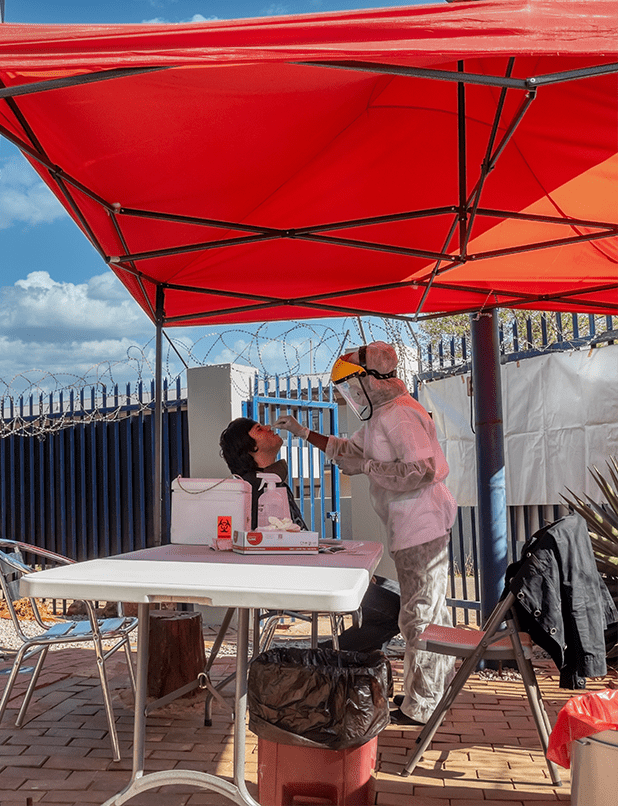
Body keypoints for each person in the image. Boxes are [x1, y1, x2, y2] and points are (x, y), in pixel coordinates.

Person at [275, 341, 458, 726]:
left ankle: (422, 706)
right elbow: (348, 450)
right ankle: (431, 694)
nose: (352, 395)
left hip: (421, 522)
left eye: (353, 387)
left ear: (371, 379)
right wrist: (302, 432)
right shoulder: (380, 416)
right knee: (423, 611)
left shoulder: (401, 416)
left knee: (420, 615)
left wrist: (370, 468)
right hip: (409, 524)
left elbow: (422, 469)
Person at [218, 416, 401, 653]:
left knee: (402, 595)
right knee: (399, 610)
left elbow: (295, 540)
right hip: (297, 579)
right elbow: (281, 550)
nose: (268, 428)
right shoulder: (253, 492)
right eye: (259, 429)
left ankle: (336, 660)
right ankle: (325, 657)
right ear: (250, 447)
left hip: (309, 571)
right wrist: (348, 571)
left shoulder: (273, 483)